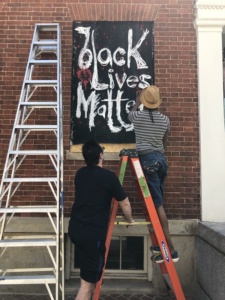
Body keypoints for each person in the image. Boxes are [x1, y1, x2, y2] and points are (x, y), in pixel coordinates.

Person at [68, 140, 134, 300]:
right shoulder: (108, 177)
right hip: (92, 235)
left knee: (89, 274)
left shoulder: (80, 174)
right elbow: (124, 202)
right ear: (101, 155)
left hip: (76, 230)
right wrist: (129, 220)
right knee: (87, 285)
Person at [128, 85, 179, 264]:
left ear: (144, 101)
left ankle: (171, 248)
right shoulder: (165, 120)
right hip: (161, 160)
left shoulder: (137, 116)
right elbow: (165, 141)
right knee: (158, 202)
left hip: (147, 160)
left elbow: (129, 115)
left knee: (157, 205)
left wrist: (136, 102)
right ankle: (161, 243)